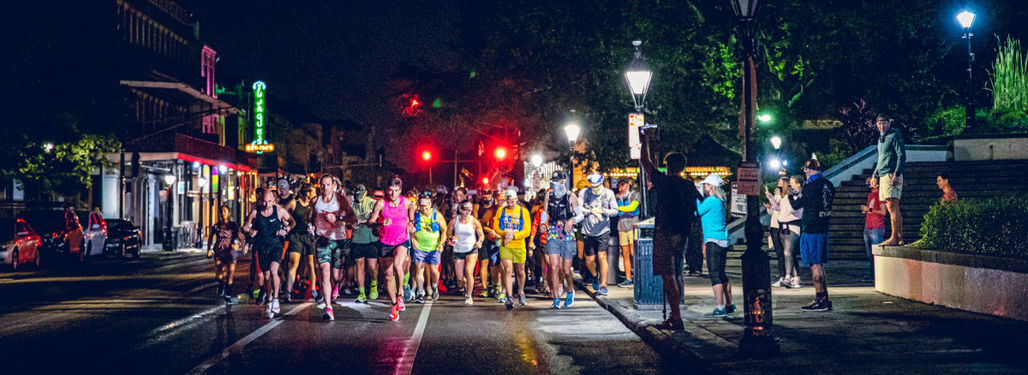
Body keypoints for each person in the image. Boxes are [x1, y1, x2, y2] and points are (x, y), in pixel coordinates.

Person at [640, 129, 702, 330]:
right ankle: (676, 314)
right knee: (675, 273)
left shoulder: (665, 182)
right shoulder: (689, 186)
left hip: (665, 231)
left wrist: (645, 140)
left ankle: (676, 316)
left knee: (668, 274)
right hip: (682, 233)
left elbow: (646, 163)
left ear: (668, 166)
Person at [788, 160, 836, 312]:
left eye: (805, 169)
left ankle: (820, 298)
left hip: (811, 229)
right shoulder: (829, 184)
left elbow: (796, 205)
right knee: (820, 264)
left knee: (814, 265)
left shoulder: (810, 187)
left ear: (808, 170)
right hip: (823, 227)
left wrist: (791, 196)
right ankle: (825, 298)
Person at [242, 189, 296, 319]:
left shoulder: (279, 211)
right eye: (264, 202)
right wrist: (250, 231)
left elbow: (293, 222)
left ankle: (276, 298)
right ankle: (270, 298)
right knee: (266, 276)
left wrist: (286, 229)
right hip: (262, 247)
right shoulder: (255, 213)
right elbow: (245, 227)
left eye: (269, 201)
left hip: (276, 245)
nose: (266, 205)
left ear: (274, 200)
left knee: (273, 271)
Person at [369, 177, 415, 322]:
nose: (393, 193)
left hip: (401, 240)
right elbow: (371, 221)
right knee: (388, 277)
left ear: (400, 190)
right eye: (390, 190)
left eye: (395, 191)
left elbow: (412, 206)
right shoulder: (381, 203)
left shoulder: (405, 201)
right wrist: (380, 222)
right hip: (385, 242)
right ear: (387, 190)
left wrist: (412, 221)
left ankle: (400, 294)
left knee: (397, 265)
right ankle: (394, 305)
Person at [311, 174, 356, 320]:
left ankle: (336, 286)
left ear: (333, 186)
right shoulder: (315, 201)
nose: (325, 188)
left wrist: (338, 218)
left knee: (335, 276)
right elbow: (311, 218)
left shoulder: (340, 200)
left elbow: (352, 218)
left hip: (338, 239)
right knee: (325, 272)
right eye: (322, 185)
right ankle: (328, 308)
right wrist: (311, 226)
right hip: (322, 240)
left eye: (328, 185)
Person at [541, 170, 584, 309]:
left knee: (566, 269)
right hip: (553, 231)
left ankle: (570, 291)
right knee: (553, 266)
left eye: (558, 181)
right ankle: (556, 298)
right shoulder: (549, 194)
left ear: (564, 181)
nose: (555, 184)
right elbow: (545, 211)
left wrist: (572, 220)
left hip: (567, 233)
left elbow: (580, 215)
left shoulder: (571, 196)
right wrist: (543, 223)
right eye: (554, 181)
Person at [697, 175, 734, 316]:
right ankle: (729, 304)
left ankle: (720, 306)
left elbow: (697, 211)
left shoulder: (711, 201)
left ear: (711, 186)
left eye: (706, 184)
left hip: (713, 240)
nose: (704, 187)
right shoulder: (721, 201)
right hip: (723, 240)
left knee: (714, 275)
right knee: (722, 273)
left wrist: (695, 198)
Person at [579, 172, 619, 295]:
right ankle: (595, 275)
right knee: (589, 260)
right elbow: (579, 208)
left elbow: (615, 211)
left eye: (596, 185)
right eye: (592, 185)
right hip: (588, 230)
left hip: (603, 230)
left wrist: (603, 211)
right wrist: (591, 211)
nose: (594, 188)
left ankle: (603, 284)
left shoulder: (608, 194)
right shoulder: (584, 193)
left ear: (601, 183)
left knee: (602, 256)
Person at [493, 189, 532, 309]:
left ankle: (520, 292)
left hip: (519, 245)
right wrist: (505, 234)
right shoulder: (501, 211)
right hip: (506, 245)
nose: (510, 202)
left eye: (512, 200)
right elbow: (496, 226)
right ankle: (509, 297)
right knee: (507, 270)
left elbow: (527, 230)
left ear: (516, 200)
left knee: (520, 271)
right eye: (507, 200)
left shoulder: (523, 211)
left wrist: (514, 235)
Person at [874, 115, 906, 247]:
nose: (882, 126)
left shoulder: (894, 135)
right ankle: (898, 237)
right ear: (876, 124)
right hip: (882, 174)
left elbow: (901, 155)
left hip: (890, 174)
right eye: (880, 123)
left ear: (889, 123)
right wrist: (875, 174)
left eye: (885, 123)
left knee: (892, 205)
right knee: (891, 206)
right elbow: (881, 157)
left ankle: (895, 237)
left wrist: (897, 173)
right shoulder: (881, 138)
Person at [447, 199, 484, 305]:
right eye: (465, 210)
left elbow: (481, 234)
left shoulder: (474, 221)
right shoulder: (454, 221)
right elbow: (448, 233)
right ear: (460, 209)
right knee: (459, 277)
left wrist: (479, 241)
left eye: (470, 210)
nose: (467, 212)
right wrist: (450, 239)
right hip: (458, 249)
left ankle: (469, 296)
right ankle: (466, 285)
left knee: (468, 271)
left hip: (471, 249)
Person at [283, 184, 316, 303]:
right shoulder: (294, 202)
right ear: (307, 193)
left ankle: (313, 290)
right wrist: (286, 224)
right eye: (313, 192)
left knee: (311, 264)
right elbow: (282, 212)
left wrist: (314, 226)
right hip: (296, 235)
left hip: (308, 236)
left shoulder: (313, 205)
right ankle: (287, 292)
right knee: (293, 263)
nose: (315, 194)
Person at [412, 195, 447, 303]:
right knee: (419, 268)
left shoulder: (437, 215)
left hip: (434, 247)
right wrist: (413, 239)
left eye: (426, 207)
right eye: (421, 206)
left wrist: (441, 243)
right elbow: (411, 229)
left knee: (434, 271)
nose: (424, 209)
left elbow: (444, 230)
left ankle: (435, 286)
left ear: (430, 204)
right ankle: (420, 292)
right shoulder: (416, 215)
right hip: (420, 247)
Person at [207, 205, 243, 303]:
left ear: (229, 213)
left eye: (225, 211)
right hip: (219, 251)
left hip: (230, 252)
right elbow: (210, 238)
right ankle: (220, 284)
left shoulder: (233, 225)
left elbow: (241, 237)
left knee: (230, 273)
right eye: (221, 211)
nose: (223, 213)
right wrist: (209, 250)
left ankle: (228, 295)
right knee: (219, 274)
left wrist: (239, 245)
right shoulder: (216, 226)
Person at [351, 184, 380, 303]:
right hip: (357, 238)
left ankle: (374, 284)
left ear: (366, 193)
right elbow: (348, 221)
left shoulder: (372, 203)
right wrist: (351, 224)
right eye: (357, 195)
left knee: (372, 267)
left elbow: (378, 218)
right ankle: (361, 292)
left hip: (371, 238)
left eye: (361, 195)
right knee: (359, 264)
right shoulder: (352, 205)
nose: (359, 197)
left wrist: (362, 220)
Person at [477, 190, 504, 301]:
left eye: (504, 200)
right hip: (493, 241)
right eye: (500, 200)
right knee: (493, 264)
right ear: (497, 200)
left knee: (503, 265)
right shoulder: (491, 210)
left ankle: (501, 287)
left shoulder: (511, 211)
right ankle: (494, 286)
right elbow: (482, 224)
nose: (502, 202)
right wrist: (490, 231)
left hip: (507, 241)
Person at [615, 178, 640, 287]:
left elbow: (633, 208)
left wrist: (618, 208)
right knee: (625, 253)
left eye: (623, 185)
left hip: (633, 225)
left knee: (633, 251)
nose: (621, 188)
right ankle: (628, 277)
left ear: (628, 185)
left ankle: (638, 276)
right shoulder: (617, 196)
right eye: (620, 186)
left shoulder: (635, 194)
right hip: (622, 225)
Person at [861, 177, 886, 280]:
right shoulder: (870, 195)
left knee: (876, 253)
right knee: (870, 254)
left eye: (871, 182)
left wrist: (869, 209)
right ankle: (873, 275)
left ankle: (879, 275)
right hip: (868, 226)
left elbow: (884, 212)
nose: (868, 184)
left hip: (877, 227)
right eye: (867, 182)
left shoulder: (880, 195)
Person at [764, 178, 787, 287]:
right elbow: (772, 212)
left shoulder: (782, 197)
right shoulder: (779, 198)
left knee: (781, 253)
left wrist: (772, 198)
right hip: (775, 225)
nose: (778, 185)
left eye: (780, 183)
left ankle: (784, 275)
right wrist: (769, 207)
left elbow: (778, 208)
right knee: (781, 253)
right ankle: (784, 274)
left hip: (778, 226)